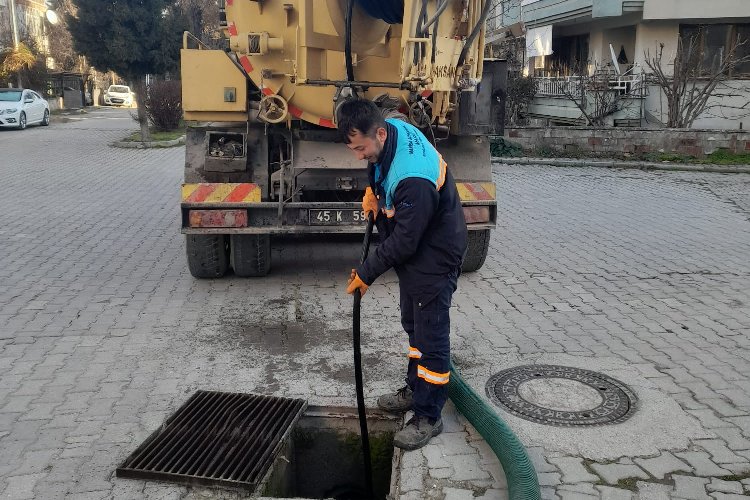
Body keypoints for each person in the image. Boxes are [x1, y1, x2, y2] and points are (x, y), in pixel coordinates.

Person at [338, 98, 468, 451]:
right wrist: (378, 200)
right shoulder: (390, 131)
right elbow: (382, 176)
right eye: (353, 149)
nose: (358, 155)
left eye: (361, 148)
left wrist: (367, 272)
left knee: (431, 334)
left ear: (379, 133)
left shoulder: (413, 177)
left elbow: (406, 241)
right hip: (419, 241)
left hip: (435, 251)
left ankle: (428, 415)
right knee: (413, 322)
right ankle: (416, 389)